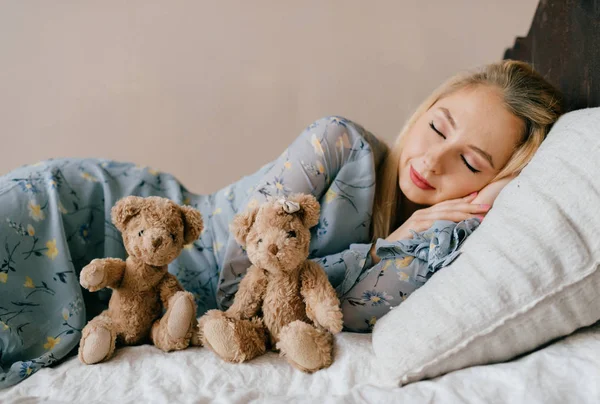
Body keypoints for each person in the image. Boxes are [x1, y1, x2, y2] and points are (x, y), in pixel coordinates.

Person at [0, 60, 562, 387]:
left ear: (491, 184)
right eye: (439, 128)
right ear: (424, 111)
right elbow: (238, 285)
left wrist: (399, 241)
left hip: (143, 294)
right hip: (88, 212)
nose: (433, 161)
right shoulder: (340, 144)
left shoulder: (425, 249)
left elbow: (334, 313)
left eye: (470, 162)